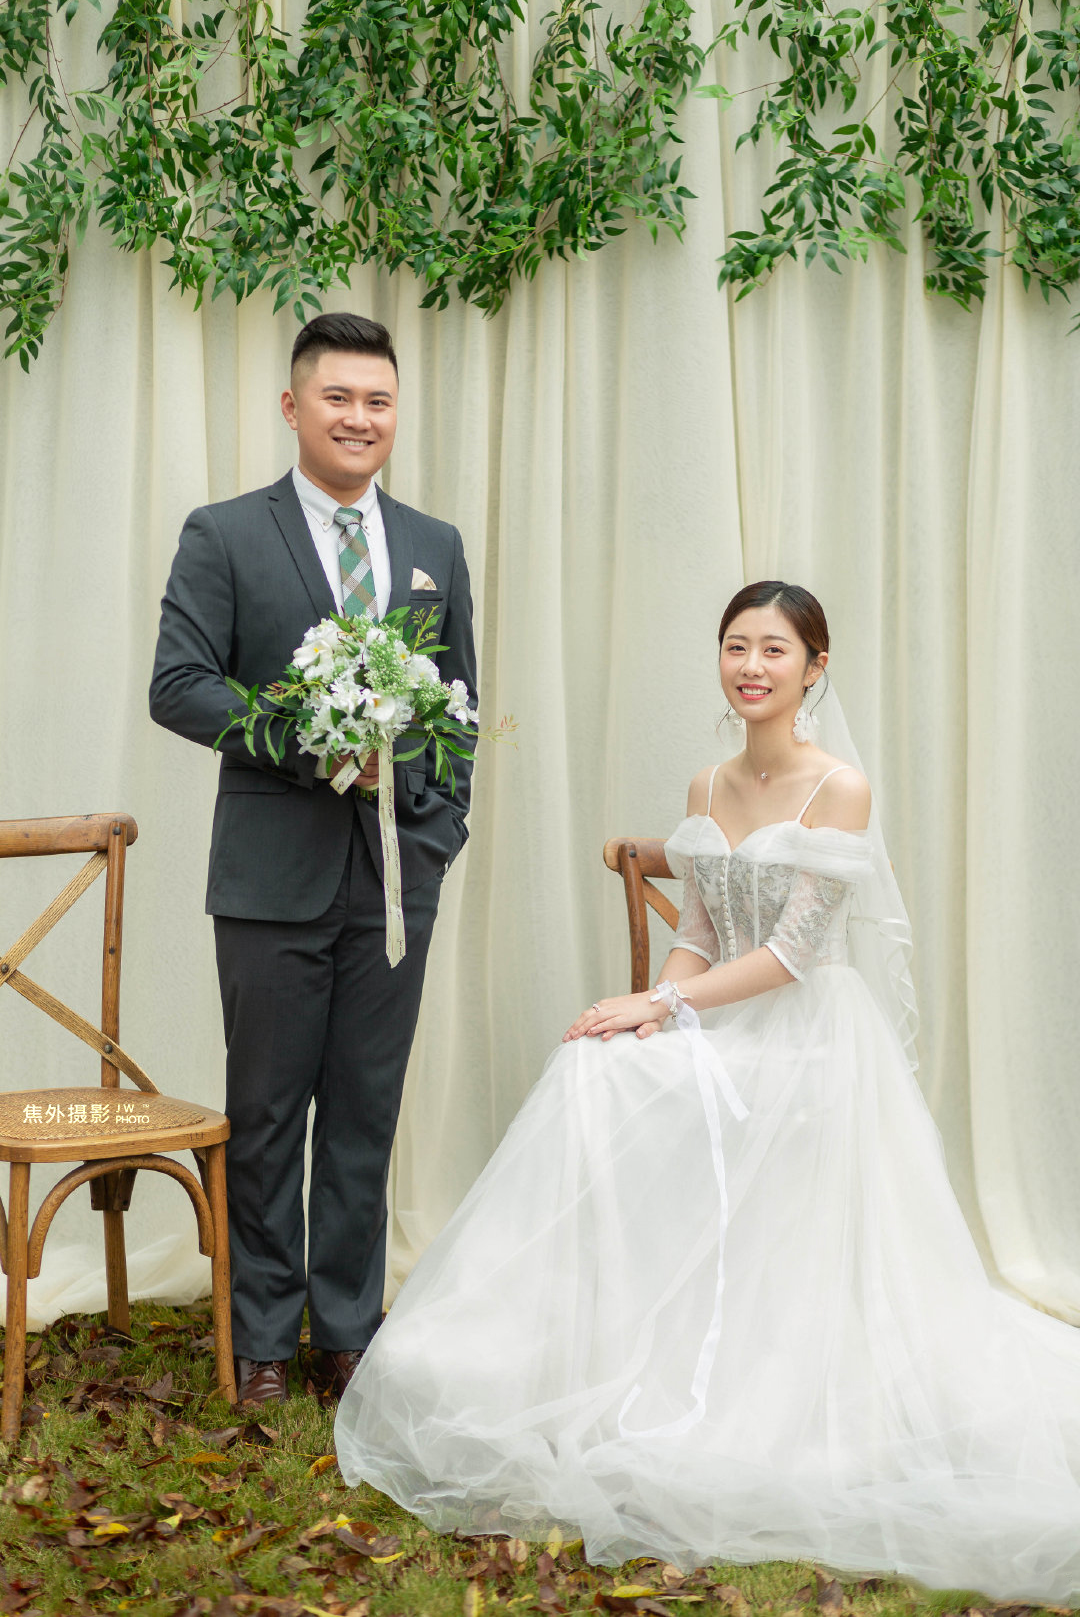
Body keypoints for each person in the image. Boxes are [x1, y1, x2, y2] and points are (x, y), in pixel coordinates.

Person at [334, 581, 1080, 1603]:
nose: (752, 667)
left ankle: (741, 1374)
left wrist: (666, 1007)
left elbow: (791, 954)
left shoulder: (841, 787)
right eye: (737, 646)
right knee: (592, 1065)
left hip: (809, 1037)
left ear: (815, 668)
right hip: (716, 1021)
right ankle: (586, 1346)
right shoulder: (707, 782)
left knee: (648, 1055)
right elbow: (695, 932)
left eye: (775, 649)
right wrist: (647, 1012)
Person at [150, 312, 476, 1407]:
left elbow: (459, 708)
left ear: (396, 413)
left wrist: (436, 835)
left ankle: (345, 1332)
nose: (359, 418)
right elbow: (179, 685)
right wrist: (309, 740)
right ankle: (261, 1341)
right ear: (294, 407)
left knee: (365, 1114)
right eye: (338, 398)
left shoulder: (434, 547)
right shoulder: (224, 533)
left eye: (378, 401)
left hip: (394, 883)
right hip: (268, 878)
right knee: (267, 1113)